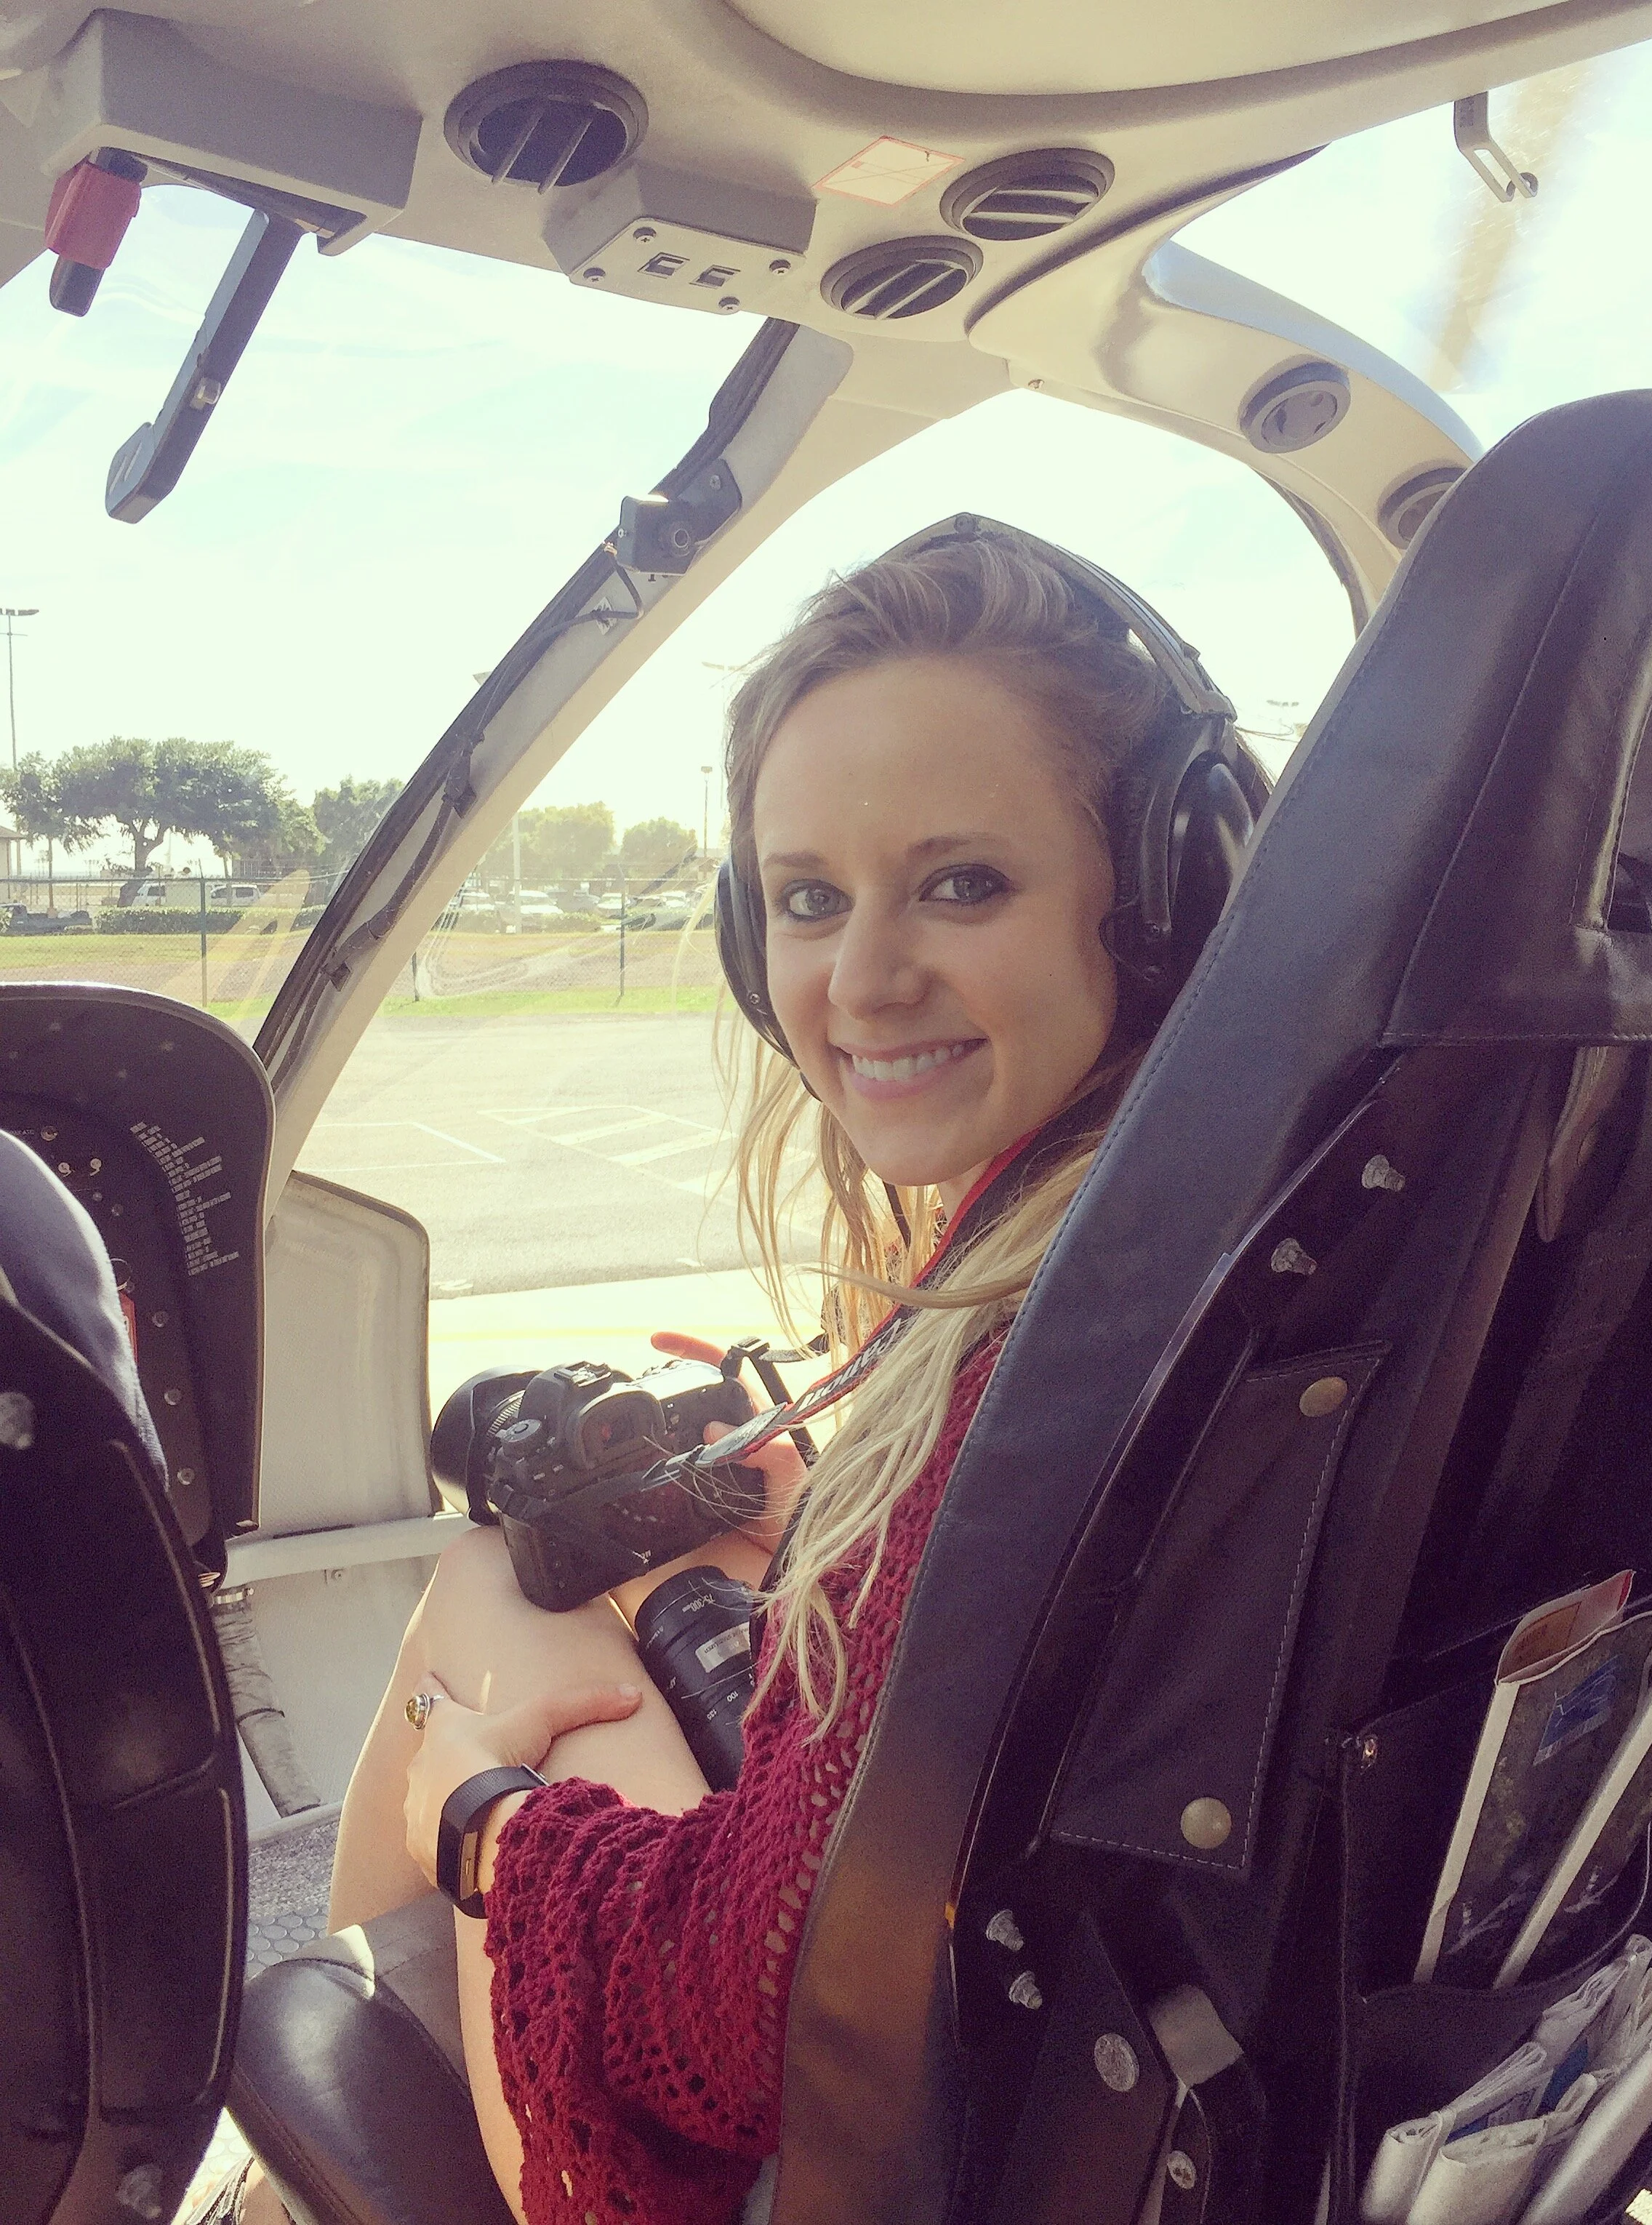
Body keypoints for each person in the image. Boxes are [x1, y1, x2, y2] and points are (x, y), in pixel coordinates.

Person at [228, 525, 1253, 2225]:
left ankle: (326, 2160)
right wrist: (829, 1516)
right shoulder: (1221, 1233)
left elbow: (732, 2013)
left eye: (962, 882)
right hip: (1063, 2033)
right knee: (580, 1578)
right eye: (808, 899)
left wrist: (478, 1810)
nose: (859, 981)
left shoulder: (1046, 1342)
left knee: (482, 1622)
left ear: (1166, 899)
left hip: (863, 2146)